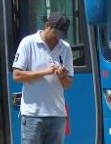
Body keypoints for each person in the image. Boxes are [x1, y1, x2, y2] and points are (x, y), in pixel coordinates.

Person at [11, 12, 74, 144]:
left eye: (61, 35)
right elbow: (16, 76)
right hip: (33, 115)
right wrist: (45, 72)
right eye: (55, 33)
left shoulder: (65, 48)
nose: (57, 38)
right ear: (47, 26)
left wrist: (62, 76)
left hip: (57, 115)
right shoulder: (28, 43)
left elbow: (68, 84)